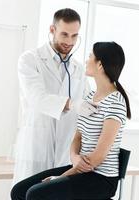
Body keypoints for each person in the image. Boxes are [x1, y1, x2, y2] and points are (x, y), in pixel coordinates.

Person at [11, 41, 131, 200]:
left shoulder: (115, 103)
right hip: (81, 169)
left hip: (101, 179)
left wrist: (60, 177)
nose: (87, 60)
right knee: (19, 191)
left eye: (90, 57)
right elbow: (77, 137)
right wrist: (75, 158)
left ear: (100, 65)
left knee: (35, 194)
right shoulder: (90, 97)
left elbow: (97, 157)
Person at [13, 8, 91, 184]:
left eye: (74, 36)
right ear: (52, 30)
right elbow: (36, 98)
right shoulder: (30, 60)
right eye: (64, 34)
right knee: (28, 192)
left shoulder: (78, 69)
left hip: (65, 150)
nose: (69, 41)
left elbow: (88, 102)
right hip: (37, 145)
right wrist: (72, 104)